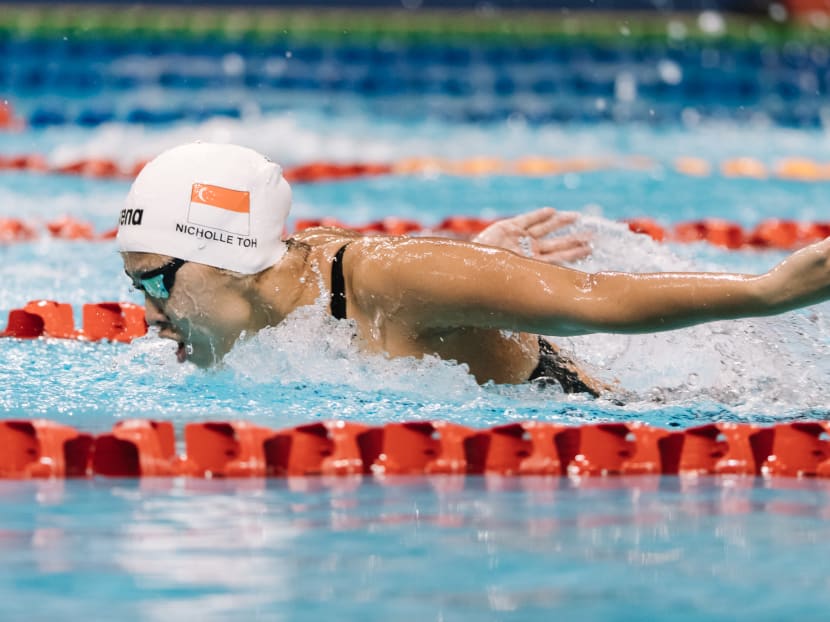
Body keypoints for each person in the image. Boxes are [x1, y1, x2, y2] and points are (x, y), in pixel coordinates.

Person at [118, 142, 830, 396]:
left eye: (156, 279)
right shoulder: (279, 299)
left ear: (231, 259)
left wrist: (772, 291)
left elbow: (597, 298)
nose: (148, 311)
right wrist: (478, 269)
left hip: (585, 422)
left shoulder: (385, 281)